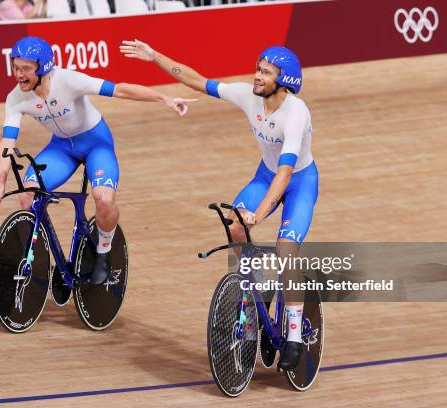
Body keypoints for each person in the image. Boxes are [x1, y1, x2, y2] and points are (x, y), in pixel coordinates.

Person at [120, 40, 318, 370]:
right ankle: (253, 294)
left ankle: (295, 335)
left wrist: (263, 211)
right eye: (258, 68)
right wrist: (155, 56)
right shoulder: (247, 95)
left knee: (287, 250)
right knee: (235, 225)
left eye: (265, 72)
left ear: (285, 82)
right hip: (264, 175)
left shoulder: (296, 113)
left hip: (299, 182)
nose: (256, 76)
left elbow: (285, 174)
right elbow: (197, 80)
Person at [0, 36, 194, 286]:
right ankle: (37, 255)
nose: (19, 75)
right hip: (61, 148)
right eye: (16, 67)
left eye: (25, 69)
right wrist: (0, 185)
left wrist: (164, 98)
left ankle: (104, 252)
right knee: (27, 195)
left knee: (103, 199)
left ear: (43, 67)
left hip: (96, 143)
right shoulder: (16, 98)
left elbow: (120, 89)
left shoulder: (69, 81)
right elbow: (7, 143)